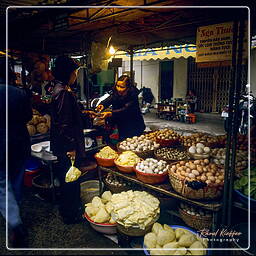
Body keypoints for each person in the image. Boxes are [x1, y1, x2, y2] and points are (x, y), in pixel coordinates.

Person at [0, 59, 32, 247]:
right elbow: (28, 116)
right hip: (19, 143)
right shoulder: (18, 93)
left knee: (3, 183)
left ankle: (15, 222)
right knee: (16, 178)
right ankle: (15, 209)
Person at [50, 56, 86, 224]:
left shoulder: (59, 88)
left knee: (67, 179)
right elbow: (64, 124)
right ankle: (71, 214)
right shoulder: (63, 92)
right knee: (70, 181)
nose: (76, 75)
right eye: (74, 72)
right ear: (68, 73)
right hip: (67, 147)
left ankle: (68, 210)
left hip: (62, 145)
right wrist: (71, 147)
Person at [96, 75, 146, 141]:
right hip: (122, 124)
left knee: (132, 143)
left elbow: (126, 110)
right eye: (117, 86)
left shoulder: (133, 94)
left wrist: (111, 113)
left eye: (122, 87)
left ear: (128, 87)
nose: (119, 89)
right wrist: (102, 105)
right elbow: (110, 99)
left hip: (133, 125)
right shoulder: (116, 92)